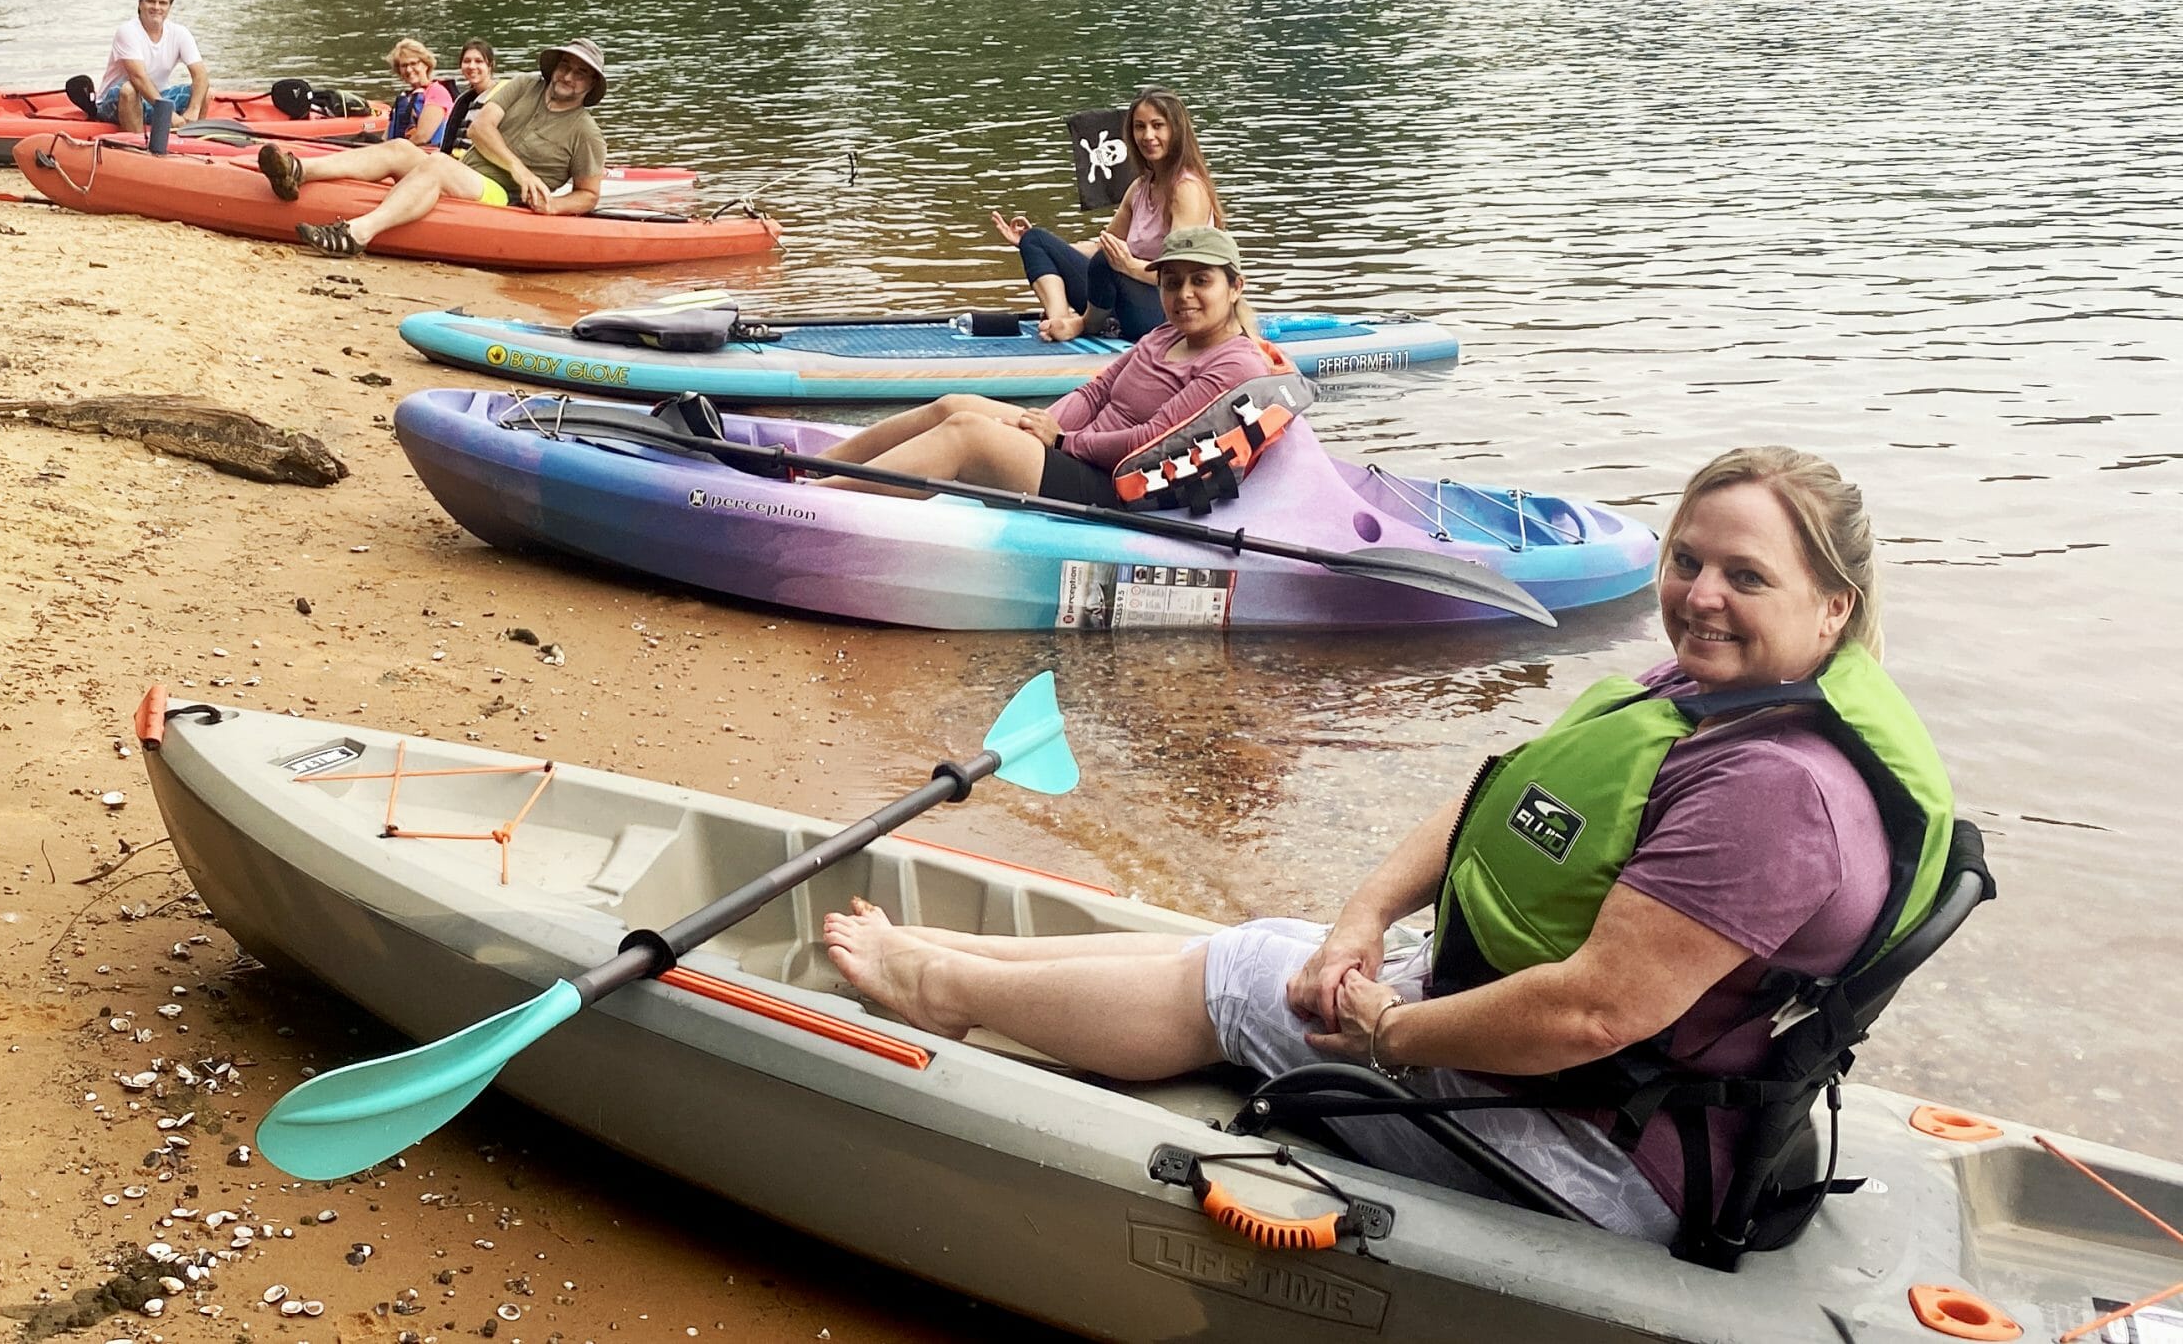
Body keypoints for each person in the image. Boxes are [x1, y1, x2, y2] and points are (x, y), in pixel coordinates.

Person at [822, 446, 1954, 1245]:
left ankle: (938, 987)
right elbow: (1490, 803)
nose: (1700, 596)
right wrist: (1364, 919)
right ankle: (947, 971)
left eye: (1746, 576)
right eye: (1686, 559)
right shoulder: (1715, 694)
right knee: (1281, 945)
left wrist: (1395, 1035)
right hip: (1575, 1076)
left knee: (1246, 981)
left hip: (1610, 1159)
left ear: (1832, 609)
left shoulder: (1772, 790)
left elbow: (1592, 1014)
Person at [816, 226, 1270, 503]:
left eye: (1201, 280)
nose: (1183, 294)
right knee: (955, 405)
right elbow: (1096, 392)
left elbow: (1155, 441)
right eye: (1172, 283)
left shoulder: (1234, 364)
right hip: (1079, 447)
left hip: (1120, 482)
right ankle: (811, 466)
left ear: (1234, 287)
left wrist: (1064, 442)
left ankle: (818, 500)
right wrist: (1041, 427)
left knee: (967, 434)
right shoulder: (1165, 333)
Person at [255, 38, 611, 257]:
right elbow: (482, 129)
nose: (568, 76)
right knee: (398, 147)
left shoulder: (586, 133)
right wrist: (521, 166)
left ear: (590, 84)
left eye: (580, 73)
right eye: (566, 66)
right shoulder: (526, 84)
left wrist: (554, 207)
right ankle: (298, 171)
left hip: (504, 197)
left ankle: (356, 233)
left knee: (437, 165)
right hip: (469, 173)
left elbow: (588, 194)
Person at [989, 89, 1222, 343]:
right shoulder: (1140, 187)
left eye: (1158, 126)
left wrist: (1129, 266)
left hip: (1169, 307)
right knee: (1035, 239)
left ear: (1176, 131)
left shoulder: (1187, 189)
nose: (1148, 136)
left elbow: (1182, 270)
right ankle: (1059, 322)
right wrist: (1052, 250)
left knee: (1105, 263)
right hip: (1121, 295)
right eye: (1139, 127)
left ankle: (1085, 324)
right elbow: (1104, 243)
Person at [96, 0, 211, 152]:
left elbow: (200, 74)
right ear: (140, 4)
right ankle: (136, 147)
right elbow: (138, 78)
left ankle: (190, 146)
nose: (157, 7)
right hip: (118, 100)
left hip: (157, 97)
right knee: (129, 90)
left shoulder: (180, 33)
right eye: (151, 1)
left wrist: (193, 110)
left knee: (205, 92)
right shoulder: (127, 31)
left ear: (169, 7)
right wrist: (168, 114)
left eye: (163, 3)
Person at [378, 39, 455, 147]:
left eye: (413, 63)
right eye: (404, 66)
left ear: (425, 64)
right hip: (402, 153)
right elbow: (385, 138)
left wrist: (393, 151)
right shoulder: (405, 97)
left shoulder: (437, 92)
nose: (409, 70)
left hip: (427, 156)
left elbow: (422, 137)